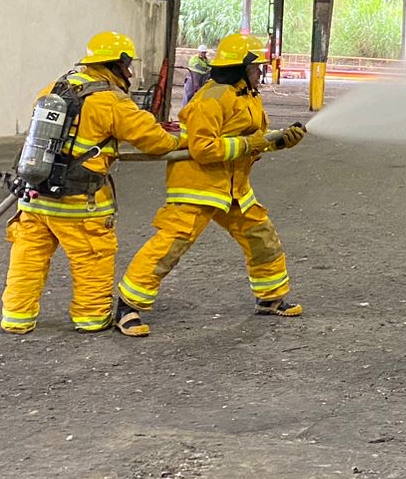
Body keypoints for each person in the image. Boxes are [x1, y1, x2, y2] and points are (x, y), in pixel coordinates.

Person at [115, 34, 307, 337]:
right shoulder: (211, 100)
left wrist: (280, 141)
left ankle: (270, 299)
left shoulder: (248, 96)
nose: (260, 73)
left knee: (262, 237)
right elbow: (203, 149)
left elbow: (254, 139)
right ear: (240, 68)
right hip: (197, 186)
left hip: (233, 187)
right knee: (171, 245)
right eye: (255, 67)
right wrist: (251, 144)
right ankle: (127, 307)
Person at [0, 31, 182, 335]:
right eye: (128, 66)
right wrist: (182, 139)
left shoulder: (52, 88)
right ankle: (91, 318)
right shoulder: (111, 101)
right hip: (79, 205)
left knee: (27, 259)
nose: (130, 73)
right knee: (92, 259)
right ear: (118, 64)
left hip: (34, 196)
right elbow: (156, 141)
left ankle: (16, 317)